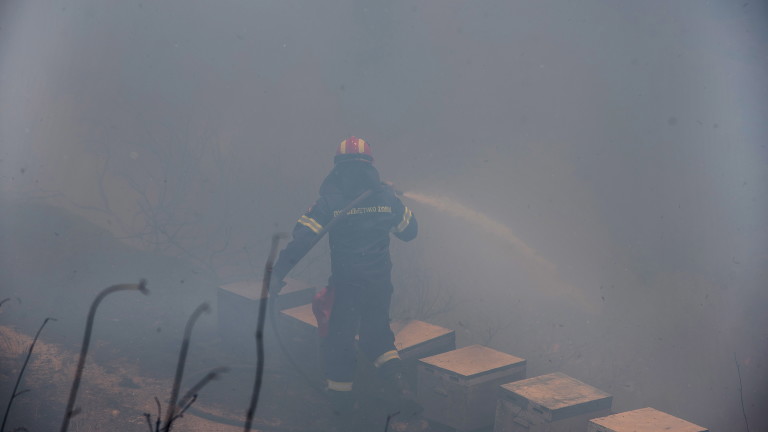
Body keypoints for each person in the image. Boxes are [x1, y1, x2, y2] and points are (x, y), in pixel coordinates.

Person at [271, 136, 419, 428]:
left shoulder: (330, 202)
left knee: (339, 343)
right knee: (377, 337)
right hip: (379, 284)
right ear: (370, 166)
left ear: (337, 167)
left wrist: (277, 275)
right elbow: (410, 232)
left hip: (347, 285)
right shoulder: (385, 198)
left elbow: (302, 240)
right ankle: (402, 387)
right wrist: (392, 200)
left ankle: (341, 411)